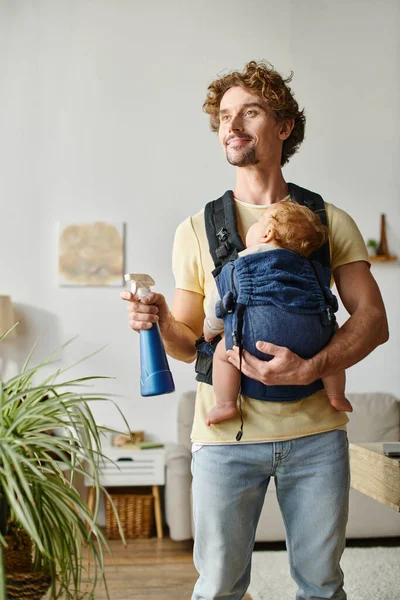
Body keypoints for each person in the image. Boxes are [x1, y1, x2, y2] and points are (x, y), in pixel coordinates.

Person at [121, 60, 388, 600]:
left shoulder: (329, 220)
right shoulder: (197, 228)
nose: (232, 125)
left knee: (321, 586)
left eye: (251, 112)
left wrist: (314, 367)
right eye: (224, 116)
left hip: (315, 439)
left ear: (284, 127)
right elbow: (187, 342)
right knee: (218, 586)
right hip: (224, 441)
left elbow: (372, 321)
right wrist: (162, 321)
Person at [203, 201, 353, 427]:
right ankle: (336, 395)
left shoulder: (239, 264)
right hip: (311, 342)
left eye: (257, 223)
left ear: (267, 234)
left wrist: (209, 329)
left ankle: (225, 404)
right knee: (332, 342)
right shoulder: (310, 268)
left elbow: (219, 303)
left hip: (256, 340)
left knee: (222, 354)